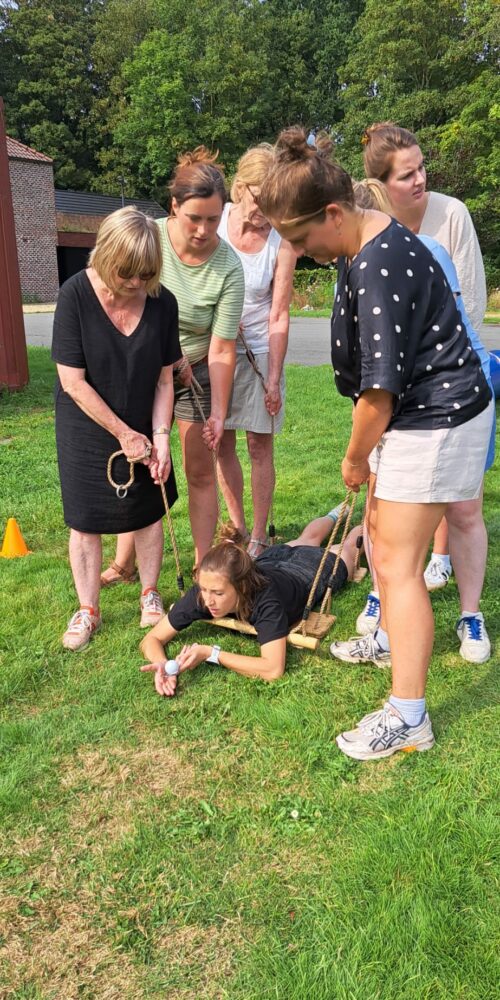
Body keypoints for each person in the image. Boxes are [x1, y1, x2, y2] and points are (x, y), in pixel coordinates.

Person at [257, 127, 493, 761]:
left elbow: (380, 393)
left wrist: (355, 457)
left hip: (436, 420)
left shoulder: (378, 265)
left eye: (301, 238)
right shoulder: (365, 244)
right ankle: (389, 639)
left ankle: (409, 715)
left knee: (398, 564)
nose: (300, 252)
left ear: (334, 213)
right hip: (421, 418)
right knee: (385, 542)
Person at [101, 148, 245, 584]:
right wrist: (164, 356)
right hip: (141, 366)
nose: (203, 230)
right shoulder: (150, 240)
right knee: (137, 458)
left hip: (196, 370)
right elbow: (118, 296)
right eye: (194, 218)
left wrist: (218, 412)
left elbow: (222, 348)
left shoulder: (229, 267)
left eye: (214, 220)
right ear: (174, 207)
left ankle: (204, 567)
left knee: (199, 469)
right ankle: (124, 561)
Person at [362, 122, 490, 605]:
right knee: (392, 487)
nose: (420, 180)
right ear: (381, 185)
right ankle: (393, 583)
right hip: (399, 381)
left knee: (460, 497)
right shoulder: (371, 225)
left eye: (421, 169)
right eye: (406, 175)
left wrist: (440, 362)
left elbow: (469, 300)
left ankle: (442, 556)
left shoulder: (450, 214)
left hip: (455, 371)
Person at [51, 206, 181, 650]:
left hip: (144, 419)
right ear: (106, 256)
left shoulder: (162, 302)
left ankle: (150, 592)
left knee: (148, 509)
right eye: (127, 273)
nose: (136, 283)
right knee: (85, 519)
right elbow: (72, 382)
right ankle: (88, 609)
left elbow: (165, 379)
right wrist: (123, 433)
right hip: (85, 423)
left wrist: (160, 437)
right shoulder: (74, 295)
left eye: (146, 273)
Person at [140, 507, 362, 695]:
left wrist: (211, 653)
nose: (208, 600)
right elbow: (152, 639)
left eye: (218, 593)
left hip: (306, 571)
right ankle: (335, 514)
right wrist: (162, 664)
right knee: (306, 539)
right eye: (204, 589)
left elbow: (273, 669)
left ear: (241, 587)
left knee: (348, 548)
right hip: (273, 558)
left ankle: (364, 518)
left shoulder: (267, 602)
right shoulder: (205, 591)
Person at [215, 145, 297, 556]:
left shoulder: (282, 241)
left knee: (259, 445)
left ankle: (260, 536)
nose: (266, 211)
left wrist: (274, 378)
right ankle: (238, 529)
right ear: (241, 187)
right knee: (220, 441)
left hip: (259, 352)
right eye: (261, 199)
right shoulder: (216, 223)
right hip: (215, 348)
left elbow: (278, 313)